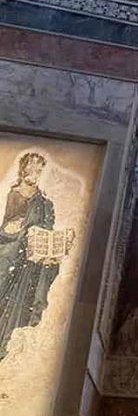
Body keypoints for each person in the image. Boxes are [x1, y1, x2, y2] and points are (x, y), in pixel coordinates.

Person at [0, 152, 62, 361]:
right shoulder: (15, 194)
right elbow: (8, 227)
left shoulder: (44, 201)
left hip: (33, 261)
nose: (35, 173)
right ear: (24, 169)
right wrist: (21, 232)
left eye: (39, 169)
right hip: (13, 256)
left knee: (27, 299)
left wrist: (50, 247)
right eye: (32, 168)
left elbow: (48, 227)